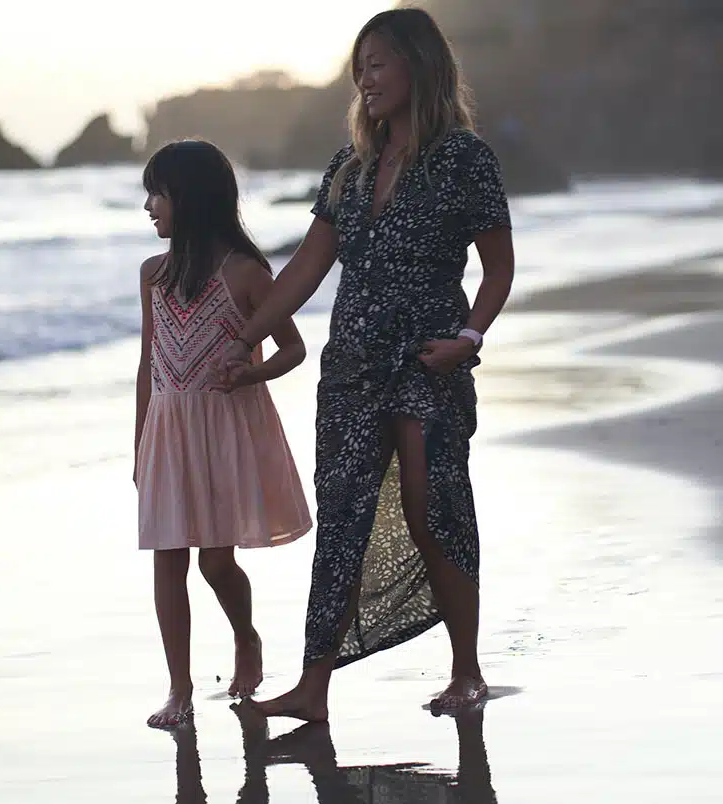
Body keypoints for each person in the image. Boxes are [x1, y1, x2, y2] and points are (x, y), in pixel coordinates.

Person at [216, 7, 515, 720]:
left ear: (420, 65)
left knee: (430, 506)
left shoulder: (464, 159)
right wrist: (244, 335)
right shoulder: (348, 167)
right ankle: (313, 689)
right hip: (350, 363)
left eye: (377, 63)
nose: (365, 79)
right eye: (359, 68)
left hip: (428, 359)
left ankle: (466, 671)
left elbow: (499, 269)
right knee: (344, 516)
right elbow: (304, 271)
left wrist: (469, 339)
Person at [134, 139, 312, 729]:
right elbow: (147, 362)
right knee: (167, 559)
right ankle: (178, 689)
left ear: (187, 197)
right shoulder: (152, 275)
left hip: (223, 428)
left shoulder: (245, 273)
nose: (149, 207)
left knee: (215, 560)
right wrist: (141, 443)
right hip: (168, 428)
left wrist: (251, 373)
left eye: (156, 194)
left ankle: (246, 637)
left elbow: (293, 347)